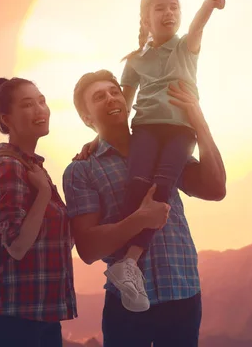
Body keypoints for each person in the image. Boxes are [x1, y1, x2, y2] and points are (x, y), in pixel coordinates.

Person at [80, 0, 226, 311]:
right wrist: (96, 139)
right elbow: (125, 103)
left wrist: (208, 5)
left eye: (174, 7)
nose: (168, 13)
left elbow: (198, 27)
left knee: (162, 185)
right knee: (137, 183)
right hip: (145, 127)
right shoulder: (134, 61)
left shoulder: (185, 48)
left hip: (180, 131)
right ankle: (125, 263)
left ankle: (130, 261)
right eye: (160, 8)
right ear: (146, 19)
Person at [63, 70, 226, 346]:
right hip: (126, 304)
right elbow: (88, 249)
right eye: (99, 97)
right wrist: (140, 219)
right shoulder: (82, 170)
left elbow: (215, 189)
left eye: (115, 92)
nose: (111, 98)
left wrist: (199, 123)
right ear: (86, 118)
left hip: (183, 292)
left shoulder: (164, 148)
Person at [0, 77, 77, 347]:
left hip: (41, 315)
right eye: (27, 104)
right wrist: (45, 195)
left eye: (41, 101)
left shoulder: (33, 167)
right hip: (15, 319)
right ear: (6, 118)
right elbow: (17, 246)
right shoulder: (8, 167)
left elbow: (60, 240)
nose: (40, 109)